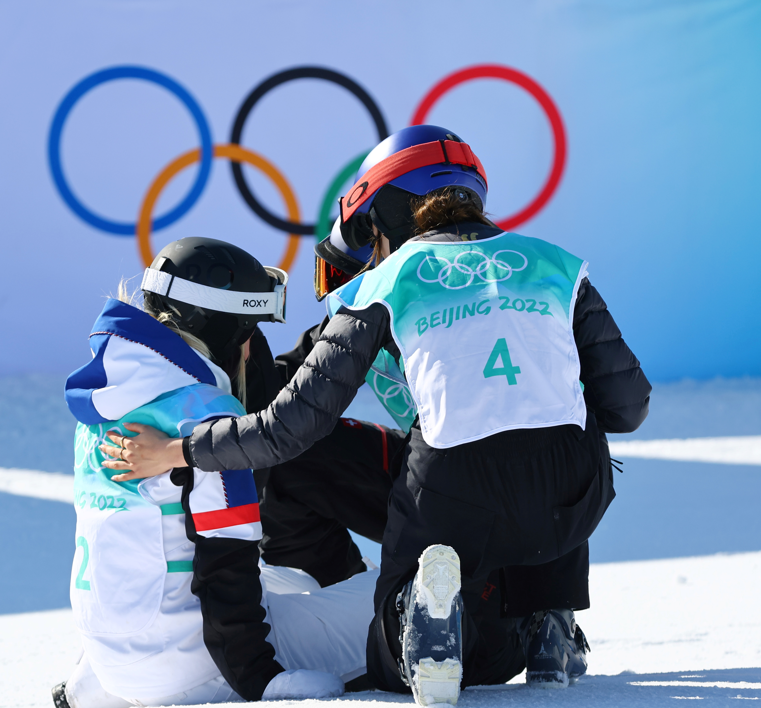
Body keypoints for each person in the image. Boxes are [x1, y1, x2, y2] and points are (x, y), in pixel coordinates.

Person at [101, 126, 651, 706]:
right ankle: (550, 621)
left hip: (455, 493)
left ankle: (415, 616)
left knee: (388, 653)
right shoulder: (557, 266)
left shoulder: (385, 285)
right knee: (554, 421)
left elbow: (287, 425)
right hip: (572, 500)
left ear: (380, 217)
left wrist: (181, 448)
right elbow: (629, 406)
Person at [53, 237, 380, 708]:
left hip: (112, 662)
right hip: (196, 667)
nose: (251, 352)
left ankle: (92, 686)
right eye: (248, 334)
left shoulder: (106, 402)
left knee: (299, 583)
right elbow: (225, 565)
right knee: (390, 593)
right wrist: (260, 681)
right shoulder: (206, 413)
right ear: (225, 333)